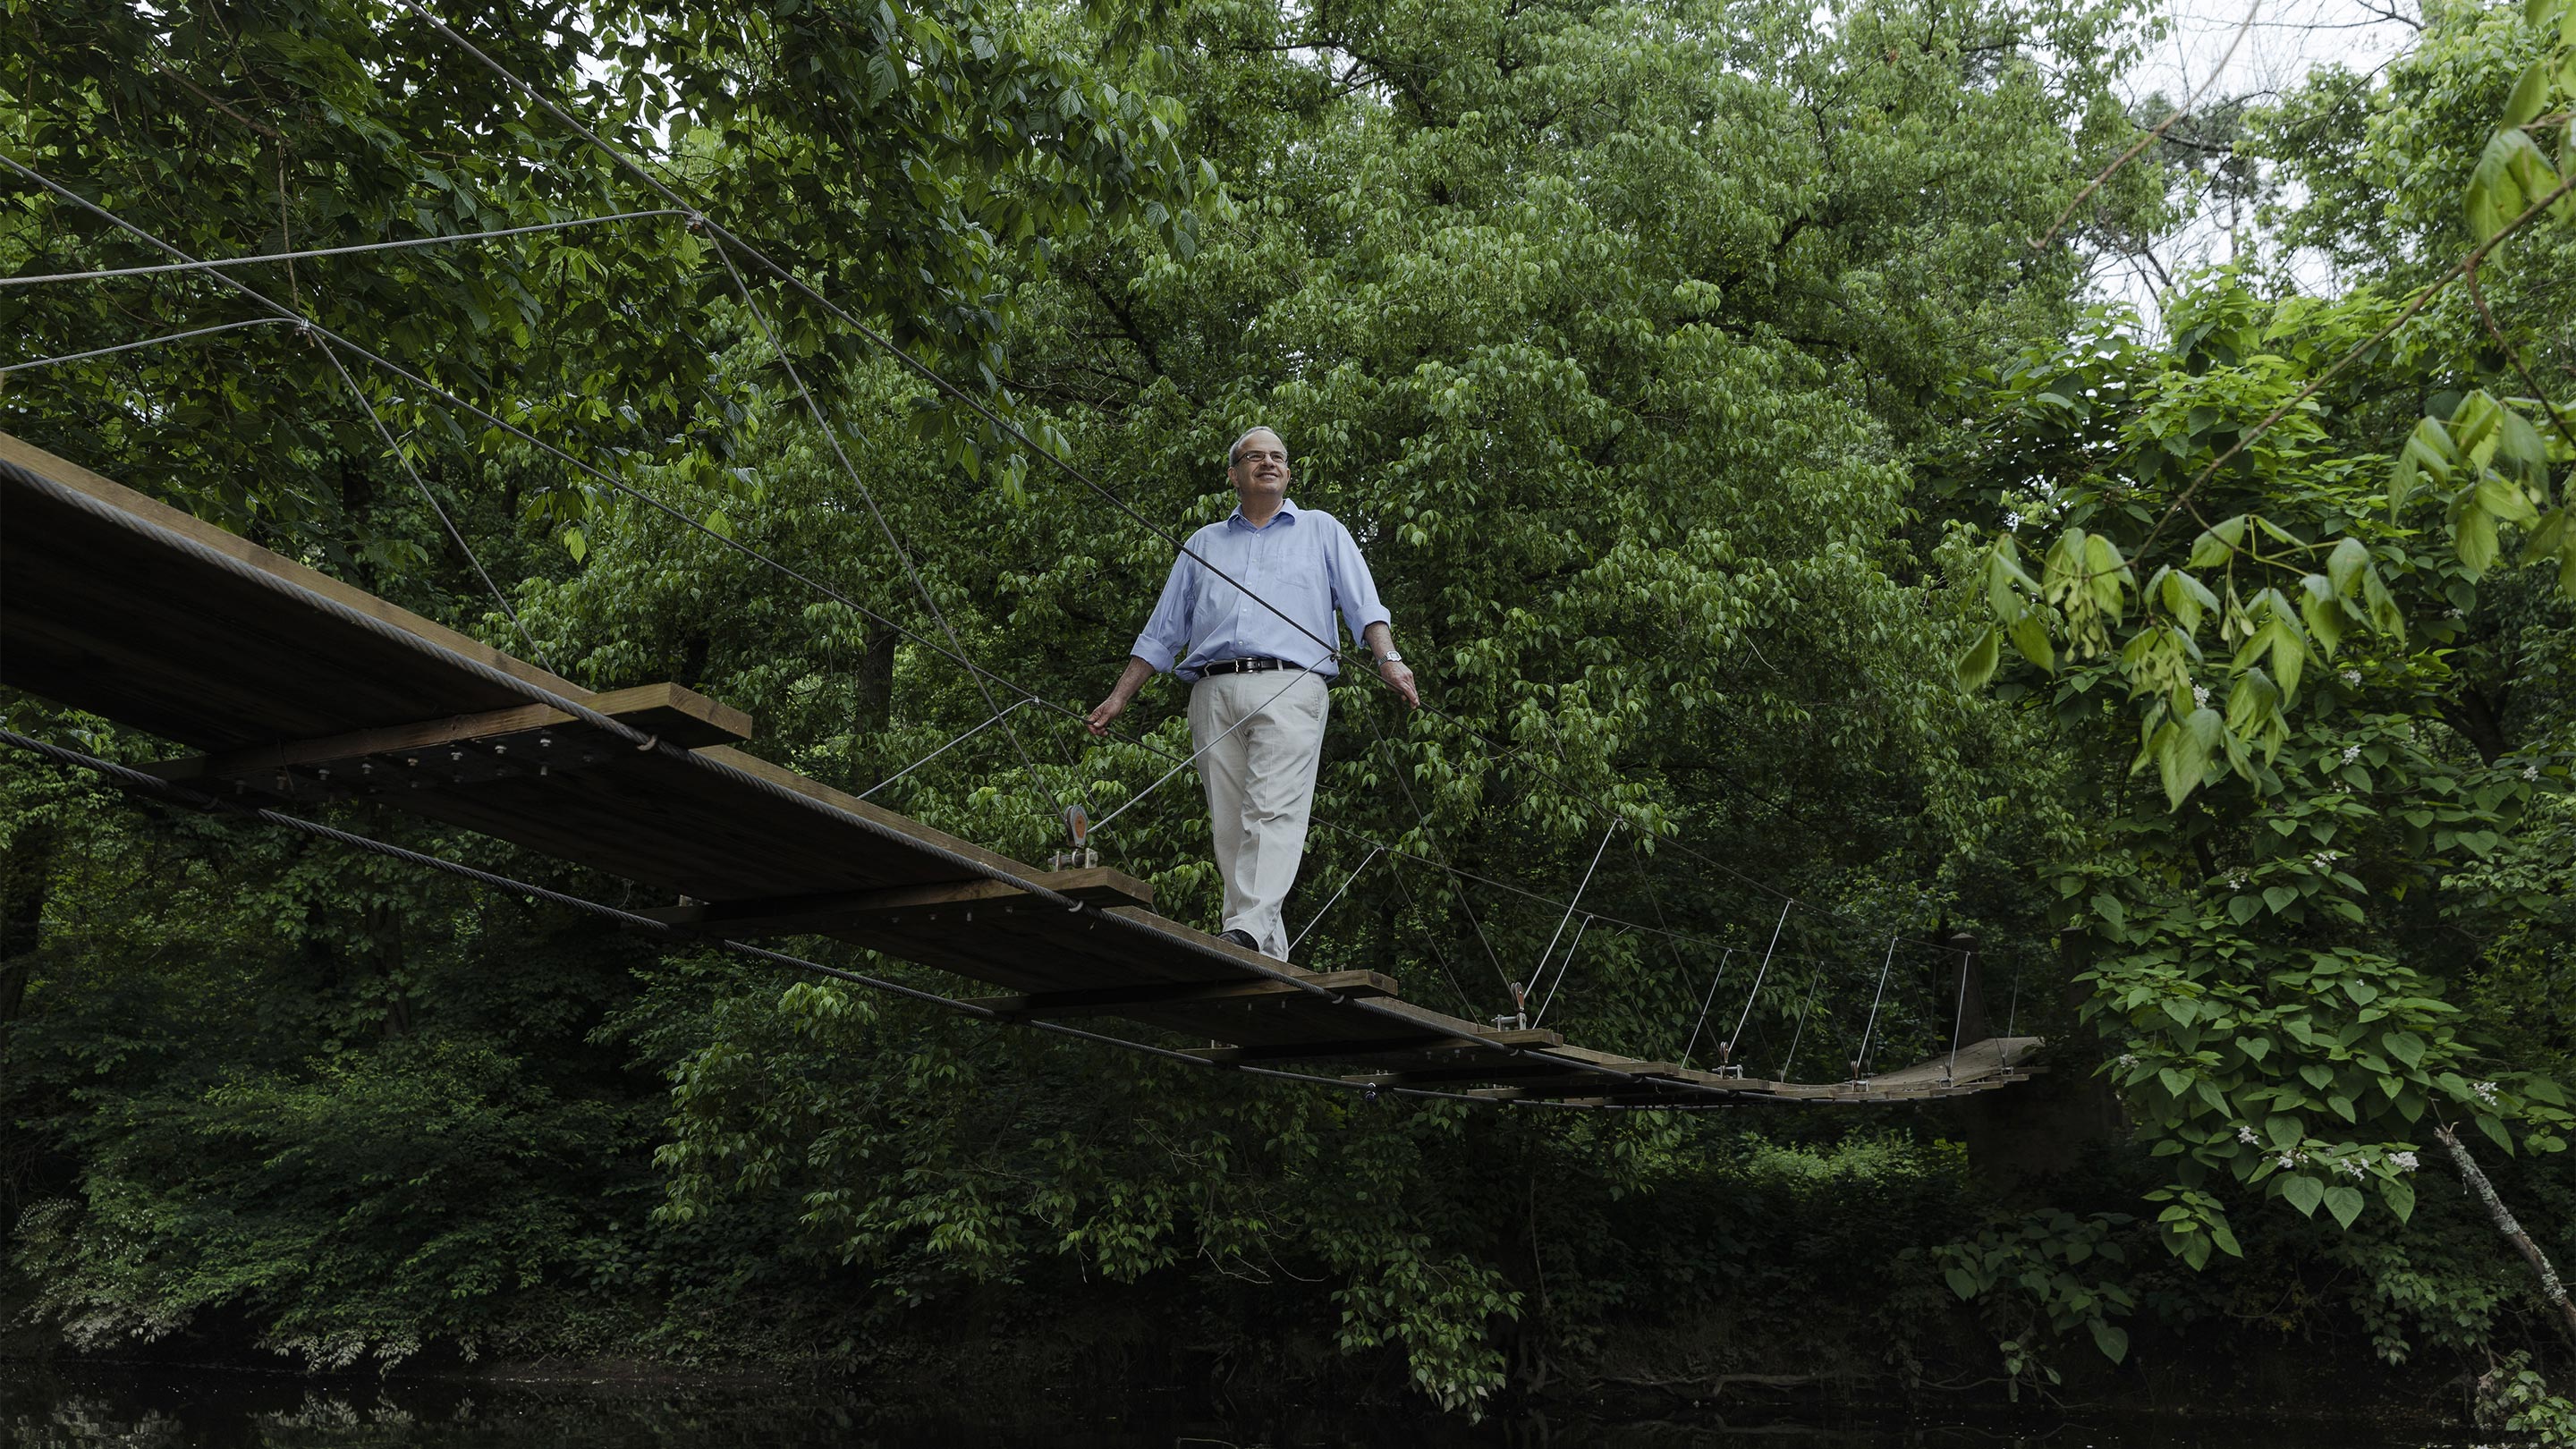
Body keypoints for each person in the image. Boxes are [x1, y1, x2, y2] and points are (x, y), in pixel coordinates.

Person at [1088, 427, 1419, 958]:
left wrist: (1389, 659)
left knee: (1274, 810)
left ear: (1288, 472)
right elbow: (1163, 631)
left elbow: (1364, 604)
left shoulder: (1322, 531)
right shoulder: (1203, 543)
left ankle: (1241, 930)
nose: (1269, 463)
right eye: (1255, 457)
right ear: (1233, 474)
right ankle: (1263, 950)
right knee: (1231, 824)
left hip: (1292, 685)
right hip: (1211, 692)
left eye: (1278, 457)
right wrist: (1121, 696)